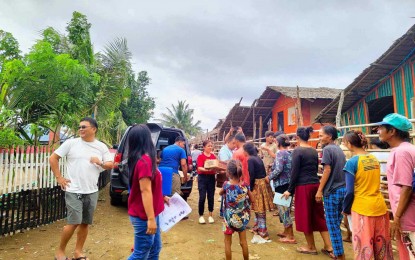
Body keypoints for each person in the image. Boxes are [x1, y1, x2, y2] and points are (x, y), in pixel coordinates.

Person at [50, 117, 114, 260]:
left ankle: (78, 252)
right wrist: (59, 177)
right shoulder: (71, 143)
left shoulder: (101, 146)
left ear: (94, 129)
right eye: (79, 127)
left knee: (85, 223)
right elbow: (53, 158)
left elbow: (110, 164)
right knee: (74, 222)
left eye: (84, 127)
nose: (80, 129)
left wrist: (100, 162)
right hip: (74, 190)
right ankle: (60, 252)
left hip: (91, 191)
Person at [282, 126, 333, 257]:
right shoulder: (313, 151)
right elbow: (315, 168)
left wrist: (289, 190)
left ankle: (311, 246)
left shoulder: (297, 151)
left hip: (303, 187)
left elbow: (294, 173)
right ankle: (329, 246)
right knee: (319, 216)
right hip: (315, 185)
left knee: (305, 217)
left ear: (297, 137)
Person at [342, 130, 393, 260]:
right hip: (380, 207)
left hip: (362, 209)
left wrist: (346, 209)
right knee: (381, 247)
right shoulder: (373, 159)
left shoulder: (352, 163)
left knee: (364, 249)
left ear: (349, 143)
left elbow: (349, 191)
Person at [125, 124, 170, 259]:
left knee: (155, 248)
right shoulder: (144, 161)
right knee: (141, 253)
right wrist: (150, 219)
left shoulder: (143, 159)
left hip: (151, 212)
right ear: (146, 139)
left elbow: (150, 186)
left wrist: (161, 197)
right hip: (144, 215)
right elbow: (145, 191)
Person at [376, 113, 415, 259]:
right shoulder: (407, 149)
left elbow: (406, 187)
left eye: (381, 128)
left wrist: (397, 218)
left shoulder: (401, 152)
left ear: (392, 131)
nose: (378, 130)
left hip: (408, 216)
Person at [317, 125, 347, 260]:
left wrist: (319, 190)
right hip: (342, 189)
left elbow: (327, 170)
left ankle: (339, 254)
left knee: (332, 223)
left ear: (329, 136)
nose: (319, 138)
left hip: (332, 191)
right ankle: (337, 250)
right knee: (337, 222)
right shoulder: (338, 149)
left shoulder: (327, 149)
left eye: (321, 135)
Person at [220, 160, 252, 260]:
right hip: (242, 217)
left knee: (227, 242)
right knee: (243, 242)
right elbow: (252, 199)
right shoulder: (245, 185)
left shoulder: (226, 184)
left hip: (228, 218)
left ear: (228, 173)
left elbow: (221, 193)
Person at [244, 142, 274, 240]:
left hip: (257, 185)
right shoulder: (257, 158)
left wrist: (251, 188)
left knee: (259, 208)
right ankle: (257, 227)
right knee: (257, 207)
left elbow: (252, 175)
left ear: (246, 151)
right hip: (262, 184)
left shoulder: (251, 160)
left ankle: (263, 231)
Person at [268, 134, 296, 244]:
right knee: (286, 208)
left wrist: (269, 177)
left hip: (281, 184)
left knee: (283, 210)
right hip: (289, 184)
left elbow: (279, 169)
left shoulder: (280, 153)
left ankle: (290, 235)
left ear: (278, 143)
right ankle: (286, 231)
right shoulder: (290, 152)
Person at [196, 140, 217, 224]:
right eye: (208, 146)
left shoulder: (213, 156)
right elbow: (199, 168)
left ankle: (210, 215)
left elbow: (216, 166)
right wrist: (207, 169)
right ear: (204, 147)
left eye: (211, 146)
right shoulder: (200, 157)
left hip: (211, 178)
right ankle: (201, 215)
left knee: (211, 196)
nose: (210, 147)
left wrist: (216, 169)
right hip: (202, 178)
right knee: (202, 197)